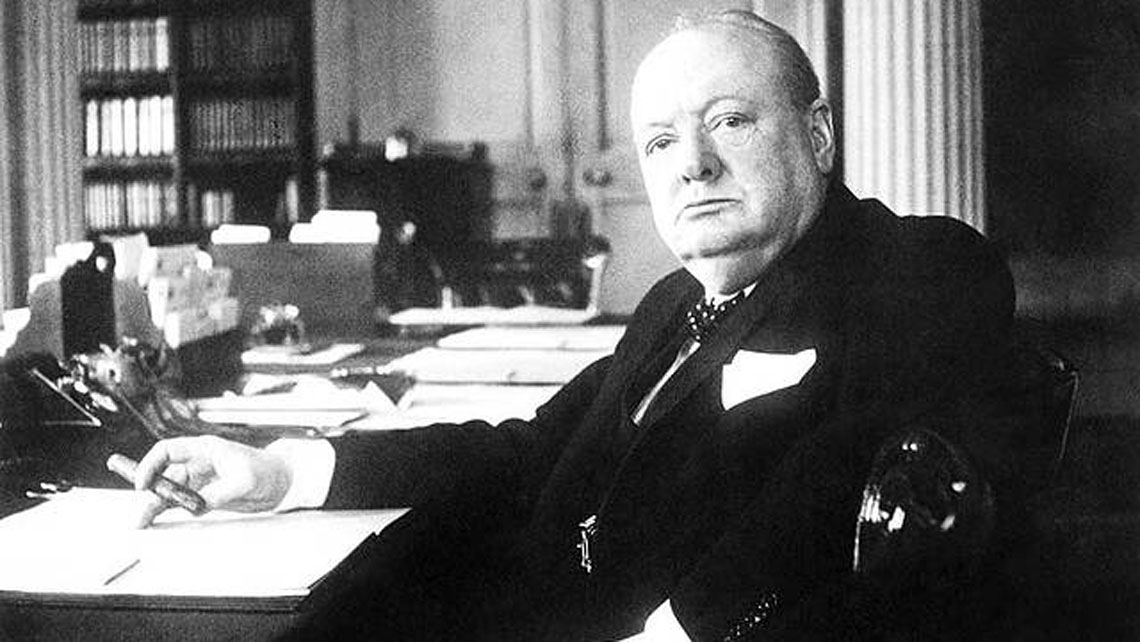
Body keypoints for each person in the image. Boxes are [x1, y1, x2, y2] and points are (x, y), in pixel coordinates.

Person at [133, 10, 1021, 641]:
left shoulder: (922, 264)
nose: (693, 164)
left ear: (818, 135)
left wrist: (678, 630)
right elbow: (530, 451)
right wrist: (283, 470)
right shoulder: (671, 304)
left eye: (730, 122)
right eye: (661, 142)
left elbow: (838, 489)